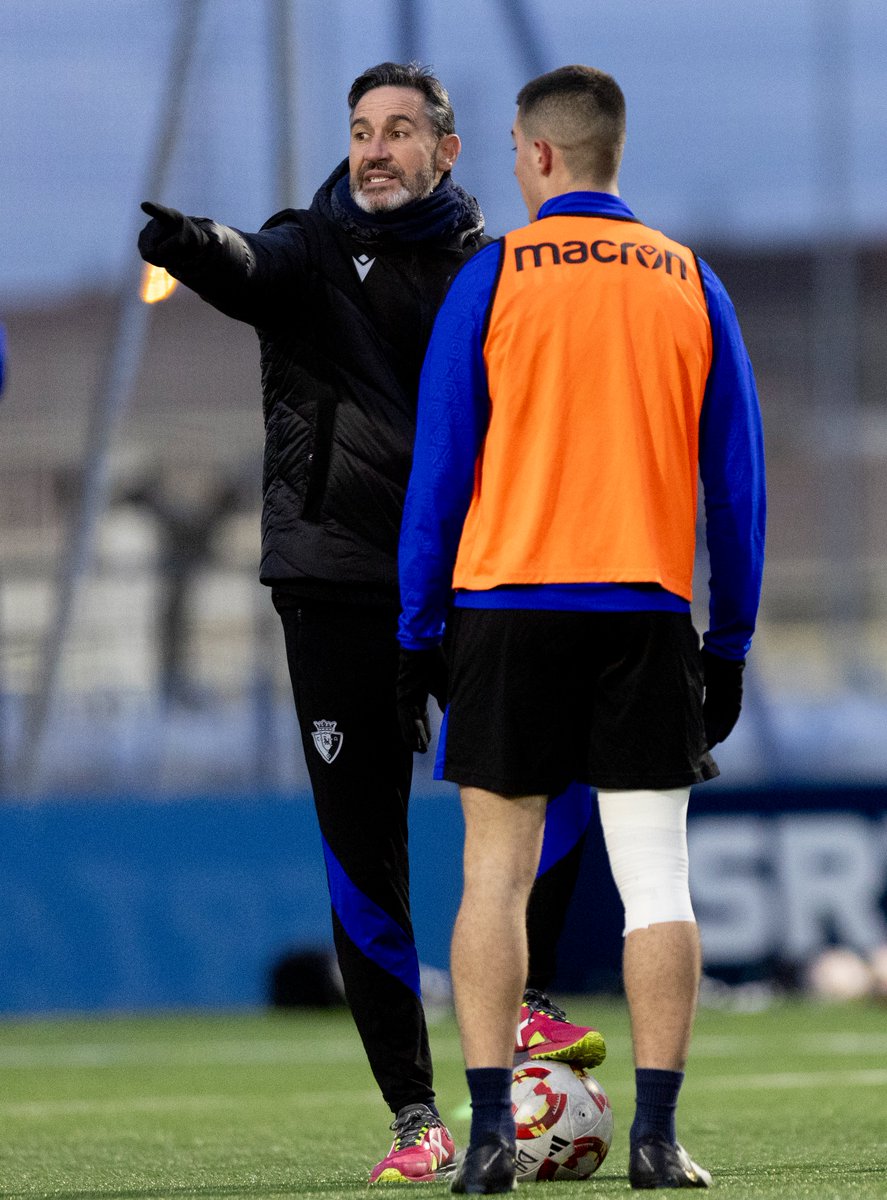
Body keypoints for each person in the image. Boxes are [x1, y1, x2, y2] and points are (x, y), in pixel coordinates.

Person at [137, 61, 604, 1185]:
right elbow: (241, 261)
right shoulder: (304, 250)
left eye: (399, 131)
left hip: (473, 582)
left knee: (561, 779)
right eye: (360, 130)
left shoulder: (497, 270)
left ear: (448, 150)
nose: (375, 150)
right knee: (363, 851)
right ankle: (413, 1115)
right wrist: (189, 245)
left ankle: (529, 1004)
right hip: (336, 588)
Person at [397, 64, 766, 1193]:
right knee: (658, 885)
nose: (512, 163)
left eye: (513, 148)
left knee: (492, 881)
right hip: (643, 609)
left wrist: (417, 627)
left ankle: (491, 1140)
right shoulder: (688, 280)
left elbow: (440, 469)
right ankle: (654, 1142)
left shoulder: (493, 273)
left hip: (505, 610)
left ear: (541, 156)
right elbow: (735, 486)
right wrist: (730, 639)